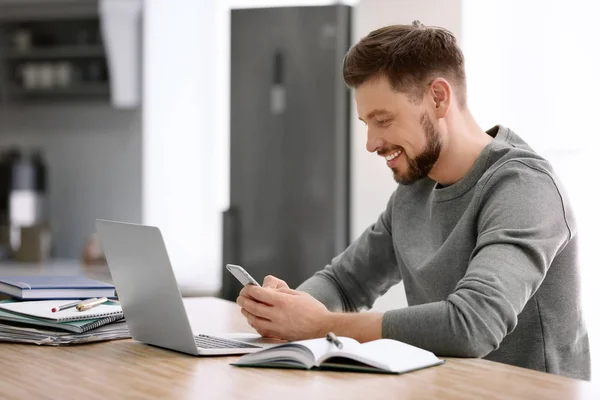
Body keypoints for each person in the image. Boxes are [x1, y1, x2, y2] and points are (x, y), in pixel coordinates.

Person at [236, 21, 590, 380]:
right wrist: (287, 309)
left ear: (438, 97)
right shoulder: (415, 187)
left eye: (384, 120)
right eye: (366, 123)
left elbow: (472, 325)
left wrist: (321, 325)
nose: (371, 143)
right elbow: (345, 283)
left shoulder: (524, 187)